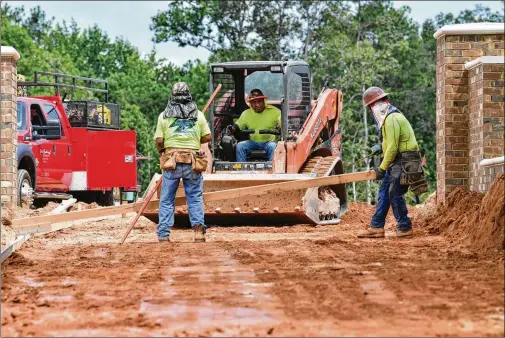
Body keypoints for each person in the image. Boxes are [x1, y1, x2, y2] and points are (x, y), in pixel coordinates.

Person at [357, 86, 425, 239]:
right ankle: (376, 227)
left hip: (404, 160)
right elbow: (389, 143)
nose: (370, 111)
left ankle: (405, 227)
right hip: (397, 160)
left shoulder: (391, 119)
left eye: (370, 107)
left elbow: (393, 147)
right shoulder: (387, 118)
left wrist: (381, 168)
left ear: (374, 106)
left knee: (394, 193)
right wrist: (380, 147)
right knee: (384, 193)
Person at [153, 82, 211, 243]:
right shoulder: (198, 115)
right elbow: (208, 137)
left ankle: (163, 234)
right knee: (195, 197)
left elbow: (159, 140)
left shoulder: (164, 115)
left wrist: (162, 151)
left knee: (166, 199)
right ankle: (199, 232)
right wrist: (194, 138)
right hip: (192, 161)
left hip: (172, 161)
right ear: (189, 95)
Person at [231, 88, 281, 162]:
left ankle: (272, 168)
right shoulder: (246, 113)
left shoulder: (275, 112)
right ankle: (241, 170)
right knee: (240, 146)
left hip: (269, 142)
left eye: (259, 101)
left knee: (273, 146)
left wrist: (280, 126)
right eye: (254, 102)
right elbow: (238, 124)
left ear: (264, 101)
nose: (257, 105)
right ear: (250, 104)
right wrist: (232, 128)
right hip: (253, 142)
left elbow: (281, 123)